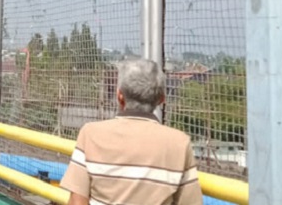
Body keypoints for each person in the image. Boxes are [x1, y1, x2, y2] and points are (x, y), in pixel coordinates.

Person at [60, 59, 203, 205]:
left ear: (120, 96)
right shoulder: (179, 143)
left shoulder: (90, 134)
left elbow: (77, 201)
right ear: (161, 99)